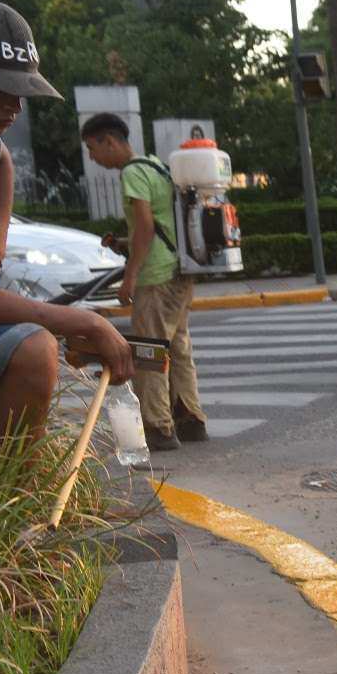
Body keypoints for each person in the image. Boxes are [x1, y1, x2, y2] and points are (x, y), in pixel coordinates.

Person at [0, 0, 131, 442]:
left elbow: (3, 163)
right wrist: (81, 322)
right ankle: (0, 504)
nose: (14, 106)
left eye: (21, 90)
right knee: (34, 351)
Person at [82, 112, 207, 451]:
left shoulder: (133, 174)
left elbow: (147, 229)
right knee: (178, 347)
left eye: (93, 148)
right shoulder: (155, 166)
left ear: (110, 141)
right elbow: (156, 226)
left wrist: (129, 277)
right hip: (178, 272)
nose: (92, 157)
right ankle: (191, 420)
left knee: (150, 353)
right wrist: (124, 244)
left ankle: (158, 428)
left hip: (155, 277)